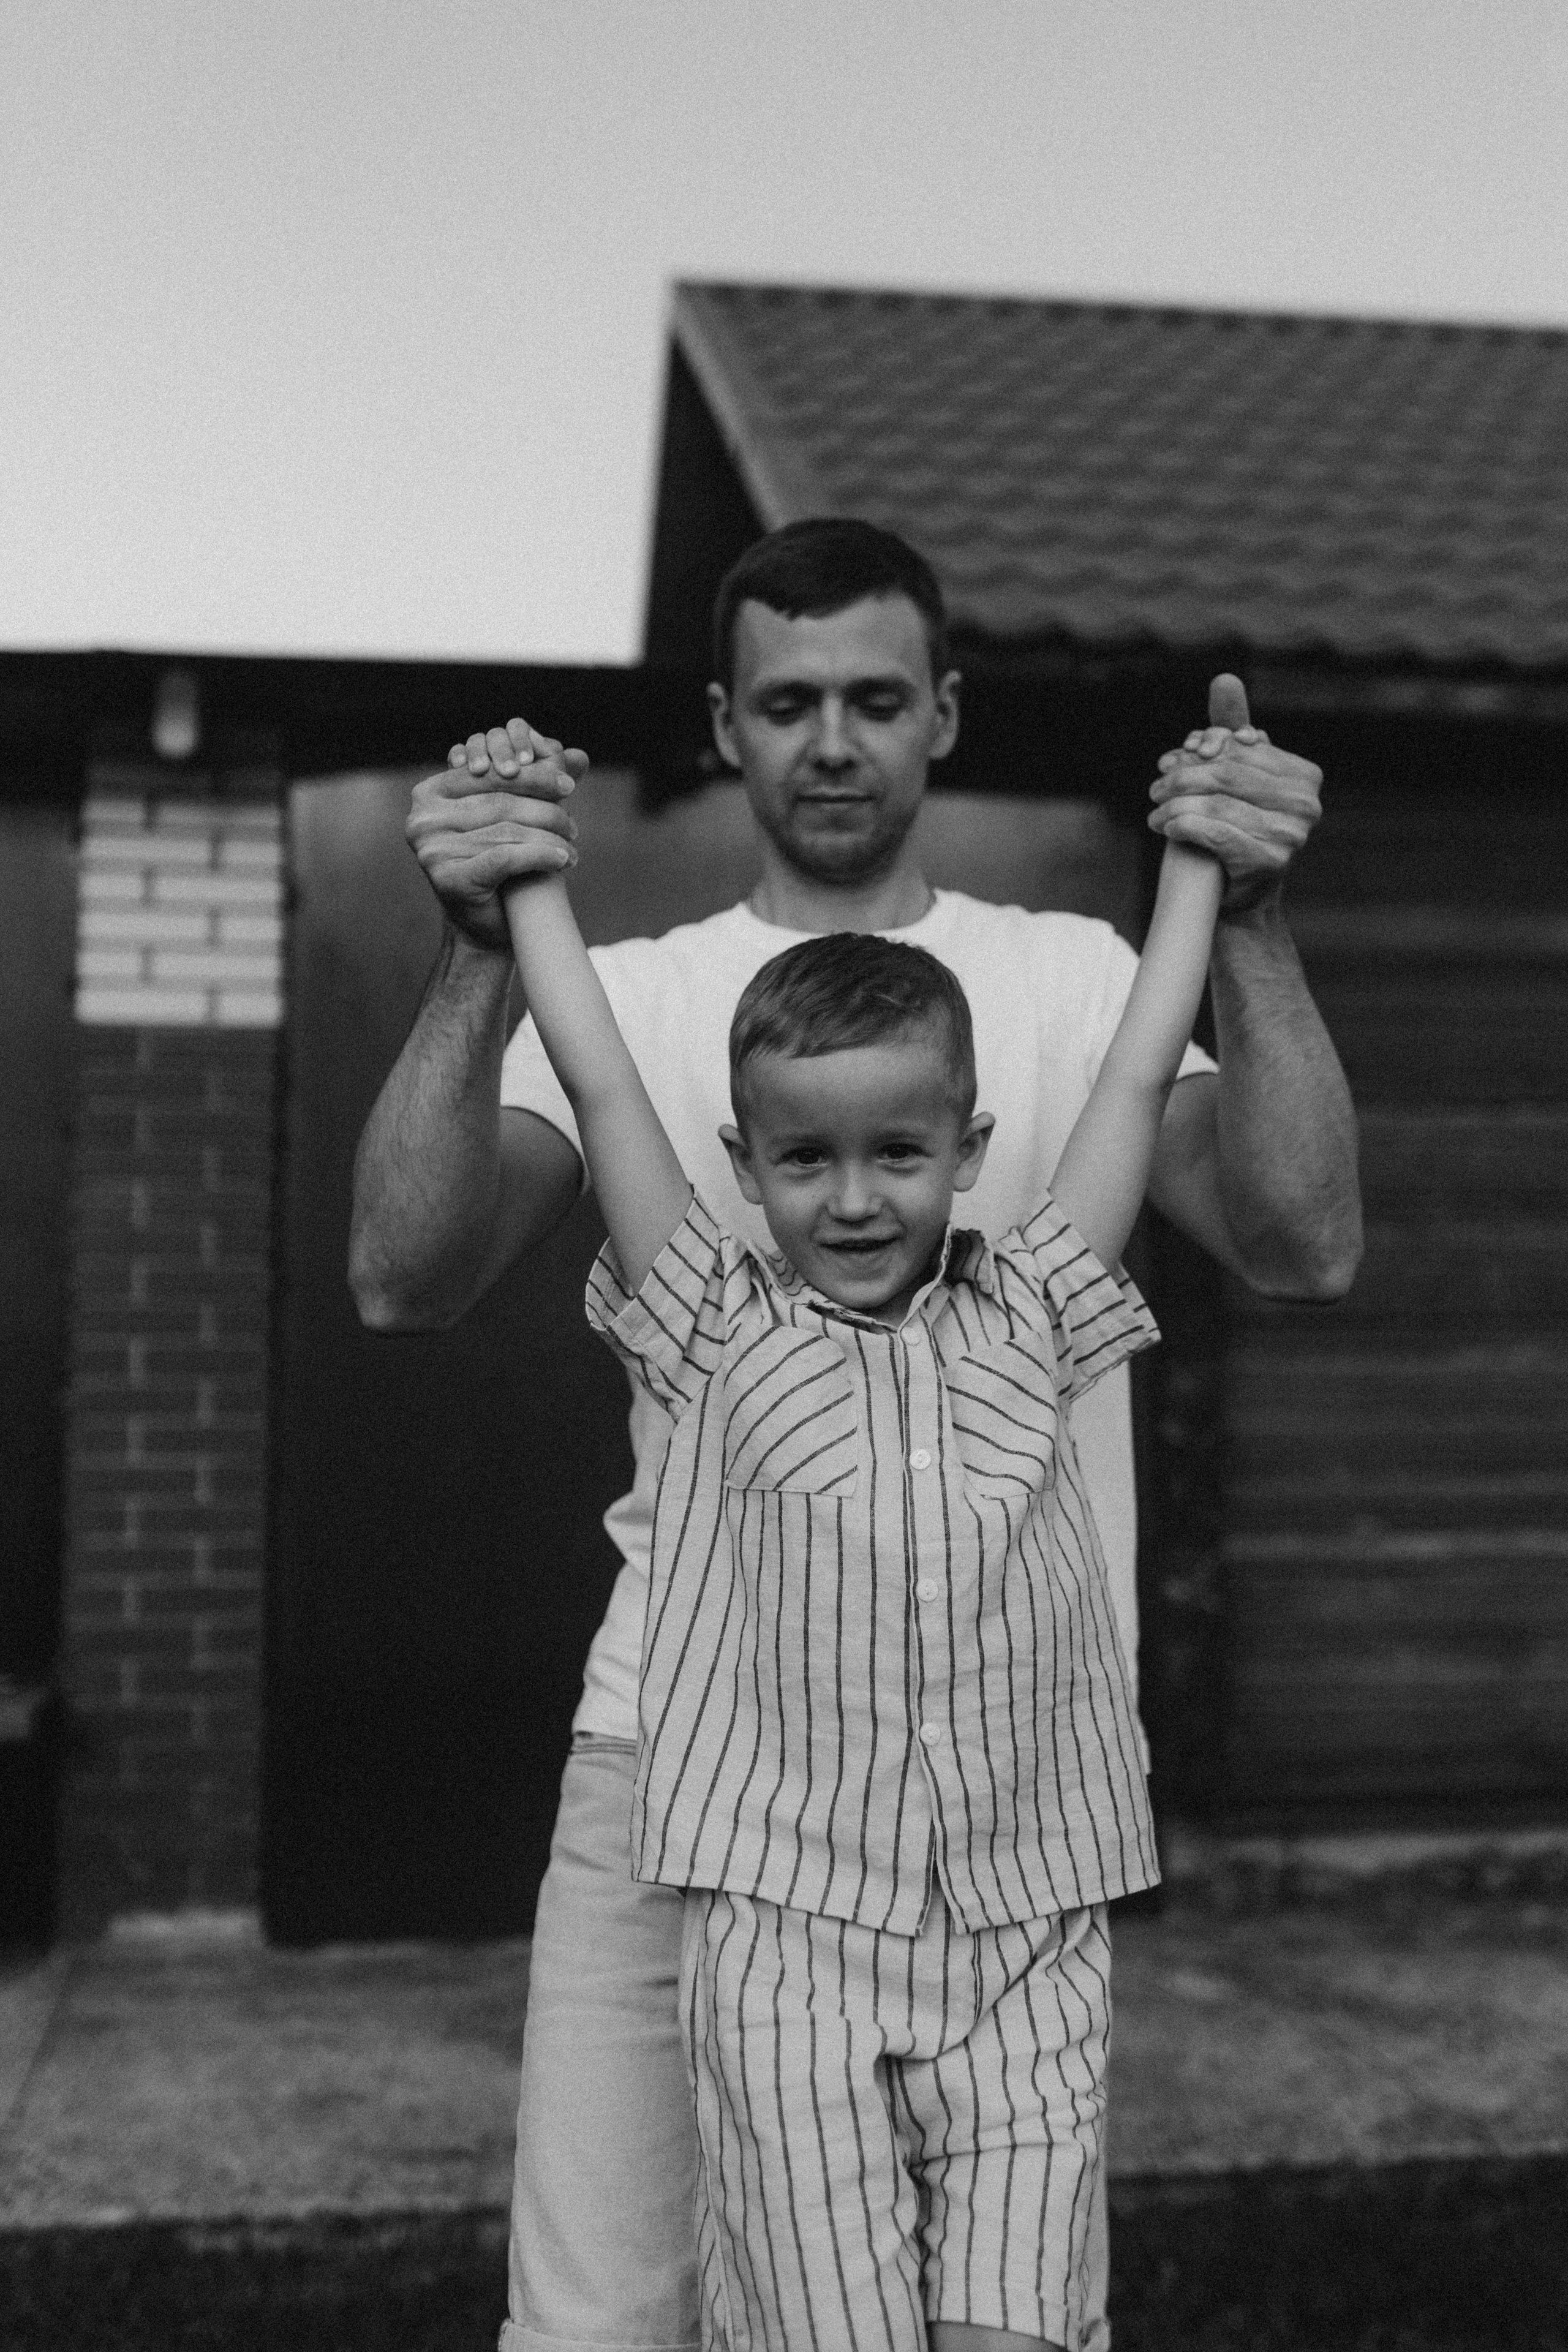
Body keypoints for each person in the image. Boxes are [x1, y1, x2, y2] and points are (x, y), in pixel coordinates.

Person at [348, 519, 1362, 2352]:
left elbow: (1304, 1239)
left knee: (1002, 2317)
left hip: (997, 1808)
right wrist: (476, 941)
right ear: (725, 722)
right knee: (602, 2328)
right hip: (686, 1771)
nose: (834, 741)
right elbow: (404, 1278)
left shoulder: (1063, 981)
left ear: (942, 715)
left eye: (877, 699)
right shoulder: (654, 1008)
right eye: (791, 701)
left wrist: (1240, 905)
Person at [496, 775, 1226, 2350]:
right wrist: (528, 882)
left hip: (1023, 1929)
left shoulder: (1031, 1320)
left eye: (896, 1151)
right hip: (785, 1949)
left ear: (967, 1150)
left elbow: (1132, 1076)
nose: (850, 1196)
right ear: (744, 1166)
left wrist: (1196, 872)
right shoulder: (711, 1330)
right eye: (804, 1159)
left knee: (1019, 2325)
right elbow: (605, 1089)